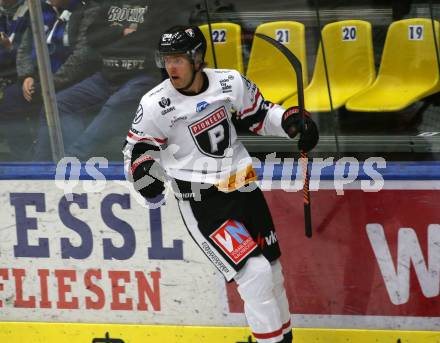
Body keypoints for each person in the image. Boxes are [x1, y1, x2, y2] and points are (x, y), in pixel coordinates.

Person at [123, 25, 319, 343]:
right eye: (166, 59)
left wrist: (290, 122)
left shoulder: (229, 82)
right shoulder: (155, 104)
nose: (171, 67)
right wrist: (145, 175)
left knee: (274, 273)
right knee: (254, 274)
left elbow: (260, 114)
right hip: (204, 203)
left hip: (245, 189)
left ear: (197, 58)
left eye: (178, 59)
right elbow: (138, 151)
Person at [34, 0, 162, 161]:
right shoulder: (111, 4)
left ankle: (75, 159)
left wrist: (112, 36)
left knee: (115, 104)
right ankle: (40, 166)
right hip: (107, 75)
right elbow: (93, 36)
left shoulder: (161, 5)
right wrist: (121, 33)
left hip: (144, 76)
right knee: (59, 104)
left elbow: (155, 37)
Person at [0, 0, 99, 160]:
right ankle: (23, 158)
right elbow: (25, 48)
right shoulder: (40, 10)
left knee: (52, 106)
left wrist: (50, 83)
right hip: (37, 80)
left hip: (67, 81)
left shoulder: (88, 11)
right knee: (10, 100)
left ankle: (47, 161)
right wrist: (27, 76)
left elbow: (83, 57)